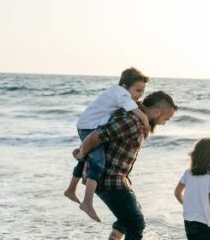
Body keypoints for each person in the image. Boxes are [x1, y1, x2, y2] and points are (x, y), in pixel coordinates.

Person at [73, 90, 178, 240]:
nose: (165, 122)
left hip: (118, 178)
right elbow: (97, 136)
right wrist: (81, 154)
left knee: (128, 217)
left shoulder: (138, 119)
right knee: (136, 223)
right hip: (108, 179)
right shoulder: (131, 121)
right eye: (166, 117)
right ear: (155, 111)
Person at [65, 67, 152, 222]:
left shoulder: (118, 92)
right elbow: (138, 113)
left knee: (87, 158)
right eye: (138, 91)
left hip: (88, 125)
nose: (140, 95)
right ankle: (87, 202)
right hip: (89, 127)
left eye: (143, 92)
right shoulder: (121, 94)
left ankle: (71, 189)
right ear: (125, 86)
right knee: (98, 164)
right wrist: (145, 121)